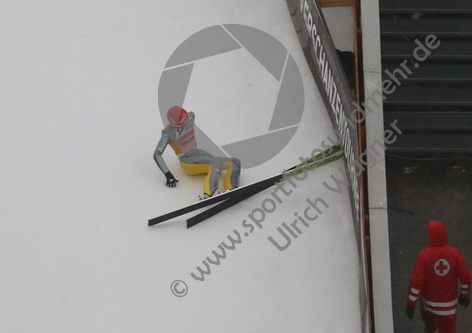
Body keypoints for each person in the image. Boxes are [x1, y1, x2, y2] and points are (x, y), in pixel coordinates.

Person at [153, 106, 241, 198]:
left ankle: (232, 187)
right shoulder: (168, 133)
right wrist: (168, 174)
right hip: (186, 160)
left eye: (186, 118)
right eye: (183, 122)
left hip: (197, 152)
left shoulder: (191, 116)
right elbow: (157, 154)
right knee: (216, 161)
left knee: (234, 162)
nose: (186, 122)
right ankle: (210, 192)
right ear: (176, 124)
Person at [406, 220, 471, 333]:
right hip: (448, 308)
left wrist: (410, 305)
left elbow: (416, 283)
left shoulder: (424, 255)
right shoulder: (454, 253)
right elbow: (466, 278)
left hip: (428, 304)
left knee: (430, 325)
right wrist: (464, 296)